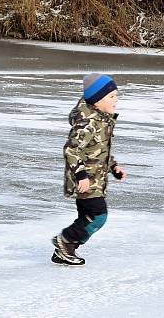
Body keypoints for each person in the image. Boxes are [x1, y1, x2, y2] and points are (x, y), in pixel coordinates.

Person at [52, 73, 127, 265]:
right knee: (98, 215)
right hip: (85, 180)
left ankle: (65, 250)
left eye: (116, 96)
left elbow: (100, 150)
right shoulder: (89, 124)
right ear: (97, 101)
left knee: (87, 217)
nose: (116, 100)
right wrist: (81, 174)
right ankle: (65, 241)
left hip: (95, 178)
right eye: (111, 97)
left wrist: (113, 167)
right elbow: (71, 149)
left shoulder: (102, 120)